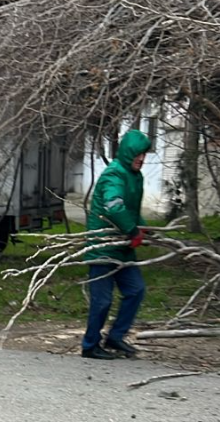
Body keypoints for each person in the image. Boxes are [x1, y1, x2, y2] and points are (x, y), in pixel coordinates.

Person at [81, 129, 151, 360]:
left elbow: (131, 210)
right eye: (138, 154)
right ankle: (90, 346)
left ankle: (115, 337)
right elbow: (115, 207)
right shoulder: (115, 174)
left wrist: (142, 227)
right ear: (129, 152)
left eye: (144, 154)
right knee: (102, 300)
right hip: (103, 246)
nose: (142, 159)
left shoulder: (135, 176)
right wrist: (132, 231)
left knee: (136, 290)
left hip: (122, 246)